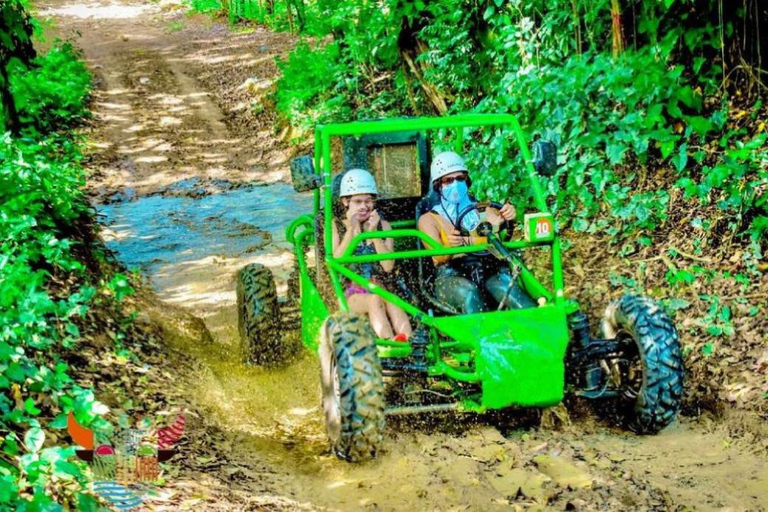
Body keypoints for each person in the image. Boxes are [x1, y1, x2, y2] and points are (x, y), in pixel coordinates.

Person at [417, 151, 535, 314]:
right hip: (450, 276)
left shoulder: (482, 209)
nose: (455, 184)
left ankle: (538, 328)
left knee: (509, 288)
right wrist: (450, 246)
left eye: (460, 179)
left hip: (488, 270)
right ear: (438, 185)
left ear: (467, 180)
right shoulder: (428, 219)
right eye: (448, 180)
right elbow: (438, 258)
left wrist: (507, 216)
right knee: (470, 293)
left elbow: (498, 233)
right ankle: (485, 338)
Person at [332, 168, 413, 341]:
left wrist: (373, 233)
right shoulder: (336, 225)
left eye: (368, 201)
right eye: (358, 201)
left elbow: (388, 266)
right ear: (346, 202)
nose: (364, 207)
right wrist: (352, 231)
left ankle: (409, 341)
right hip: (350, 292)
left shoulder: (383, 226)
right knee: (374, 299)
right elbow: (337, 262)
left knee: (392, 299)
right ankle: (388, 342)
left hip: (379, 286)